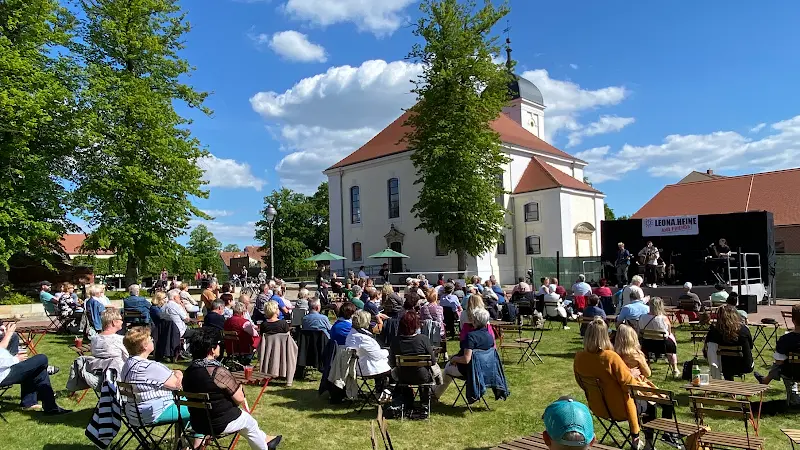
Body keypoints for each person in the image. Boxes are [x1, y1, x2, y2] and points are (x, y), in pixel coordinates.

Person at [184, 329, 282, 450]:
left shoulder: (188, 372)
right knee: (249, 422)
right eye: (218, 344)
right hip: (219, 422)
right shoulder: (216, 371)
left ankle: (267, 440)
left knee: (246, 422)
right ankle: (265, 446)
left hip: (198, 423)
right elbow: (239, 398)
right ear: (212, 350)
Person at [574, 317, 644, 449]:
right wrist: (632, 375)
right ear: (605, 336)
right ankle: (642, 440)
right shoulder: (610, 357)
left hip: (597, 407)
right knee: (650, 404)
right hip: (620, 409)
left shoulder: (579, 357)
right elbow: (629, 385)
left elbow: (581, 382)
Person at [0, 322, 70, 415]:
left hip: (7, 367)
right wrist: (16, 359)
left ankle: (37, 404)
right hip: (3, 374)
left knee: (39, 370)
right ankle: (48, 406)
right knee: (42, 358)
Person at [120, 327, 185, 426]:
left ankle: (183, 439)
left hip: (133, 413)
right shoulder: (150, 367)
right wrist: (179, 373)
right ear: (145, 346)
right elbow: (177, 385)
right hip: (153, 412)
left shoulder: (127, 364)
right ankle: (197, 440)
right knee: (199, 407)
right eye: (151, 339)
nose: (153, 341)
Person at [434, 308, 494, 399]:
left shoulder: (471, 336)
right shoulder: (490, 336)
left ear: (474, 321)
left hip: (471, 371)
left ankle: (435, 394)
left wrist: (454, 359)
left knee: (447, 369)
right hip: (485, 370)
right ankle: (434, 392)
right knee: (450, 366)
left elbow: (466, 359)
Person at [388, 312, 436, 418]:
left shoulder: (396, 341)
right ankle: (424, 406)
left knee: (405, 374)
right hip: (421, 376)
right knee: (426, 375)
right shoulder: (423, 339)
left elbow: (391, 363)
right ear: (416, 325)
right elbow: (433, 361)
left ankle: (406, 403)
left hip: (402, 377)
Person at [754, 304, 800, 406]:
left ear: (793, 320)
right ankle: (765, 380)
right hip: (793, 371)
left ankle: (765, 380)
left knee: (778, 364)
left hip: (791, 373)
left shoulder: (785, 339)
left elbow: (779, 361)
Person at [346, 311, 392, 394]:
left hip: (359, 365)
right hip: (368, 368)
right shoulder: (363, 339)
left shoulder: (351, 334)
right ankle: (385, 393)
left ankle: (381, 391)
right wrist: (388, 351)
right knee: (393, 367)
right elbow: (377, 355)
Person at [705, 305, 754, 380]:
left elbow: (707, 348)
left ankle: (725, 379)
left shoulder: (714, 331)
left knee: (724, 358)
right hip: (744, 365)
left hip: (722, 366)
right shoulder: (744, 329)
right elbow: (750, 346)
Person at [637, 297, 680, 377]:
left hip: (647, 344)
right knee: (672, 340)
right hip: (662, 345)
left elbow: (639, 331)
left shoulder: (642, 317)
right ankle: (675, 368)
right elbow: (669, 332)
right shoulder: (664, 318)